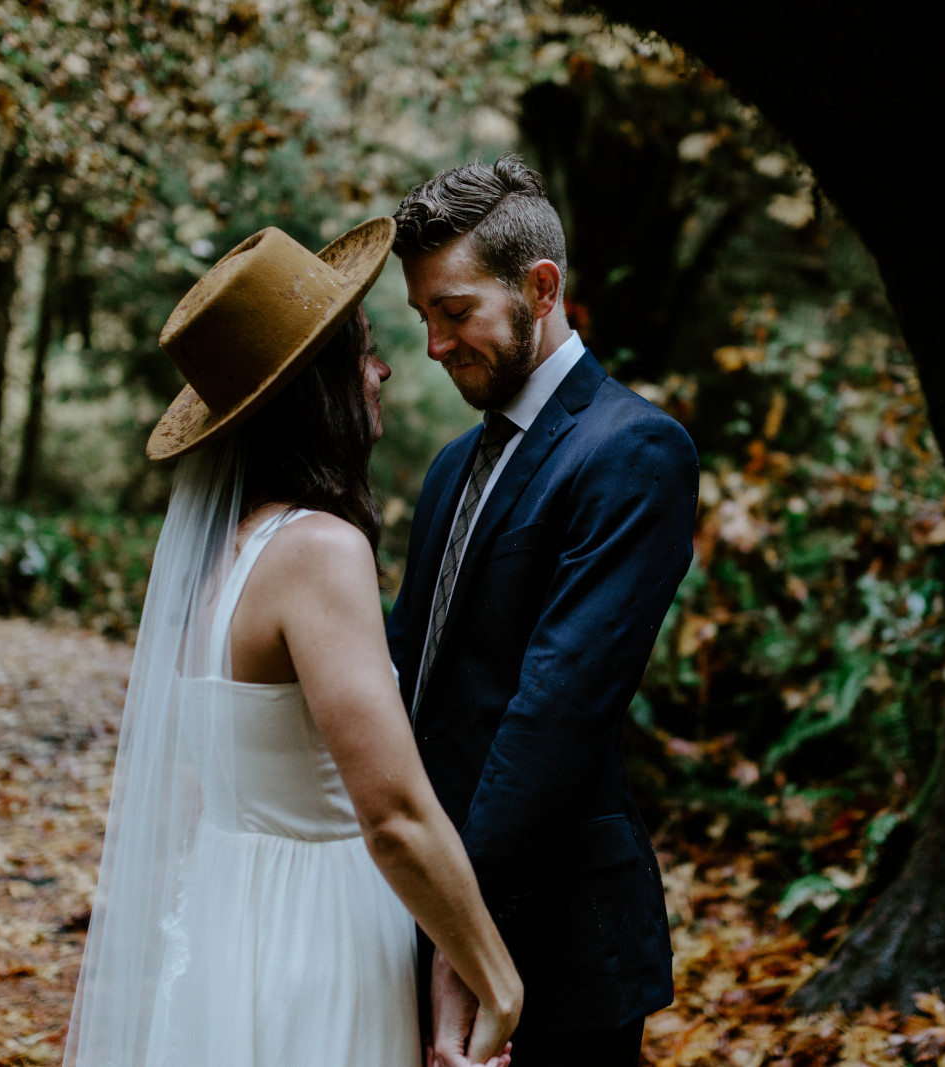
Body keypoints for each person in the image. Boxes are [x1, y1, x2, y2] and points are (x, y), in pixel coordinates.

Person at [63, 221, 521, 1067]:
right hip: (320, 933)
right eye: (365, 353)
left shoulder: (220, 562)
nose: (381, 371)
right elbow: (392, 815)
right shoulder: (317, 551)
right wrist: (498, 980)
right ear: (317, 389)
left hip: (227, 923)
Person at [387, 156, 699, 1067]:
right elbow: (410, 678)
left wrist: (463, 940)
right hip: (424, 911)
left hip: (558, 934)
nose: (436, 346)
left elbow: (555, 711)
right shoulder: (451, 466)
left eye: (454, 311)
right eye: (423, 320)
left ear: (542, 286)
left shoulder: (635, 450)